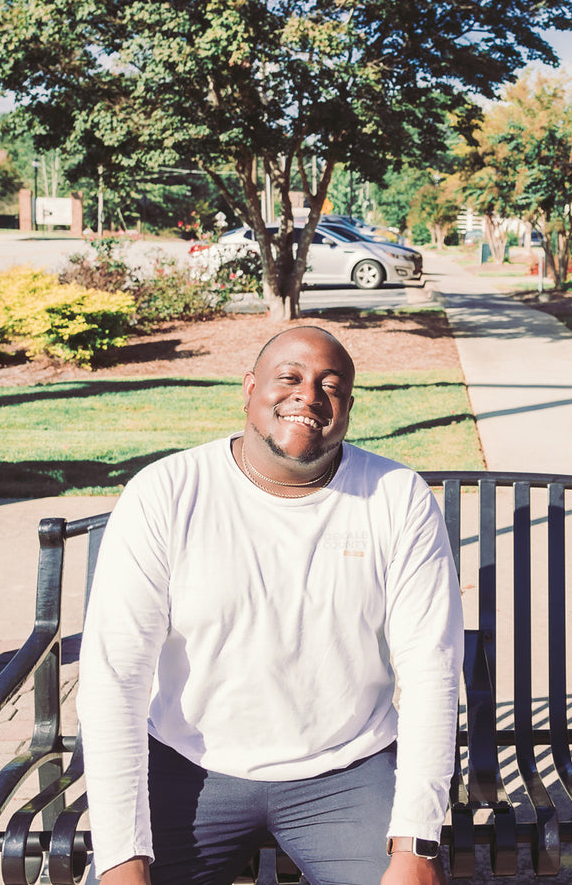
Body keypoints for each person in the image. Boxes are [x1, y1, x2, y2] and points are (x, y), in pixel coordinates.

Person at [77, 326, 463, 885]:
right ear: (250, 388)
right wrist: (119, 856)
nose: (308, 395)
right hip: (189, 766)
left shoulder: (396, 497)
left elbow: (433, 670)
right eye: (290, 377)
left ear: (348, 409)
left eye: (331, 386)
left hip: (347, 769)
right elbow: (115, 676)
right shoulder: (166, 491)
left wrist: (416, 844)